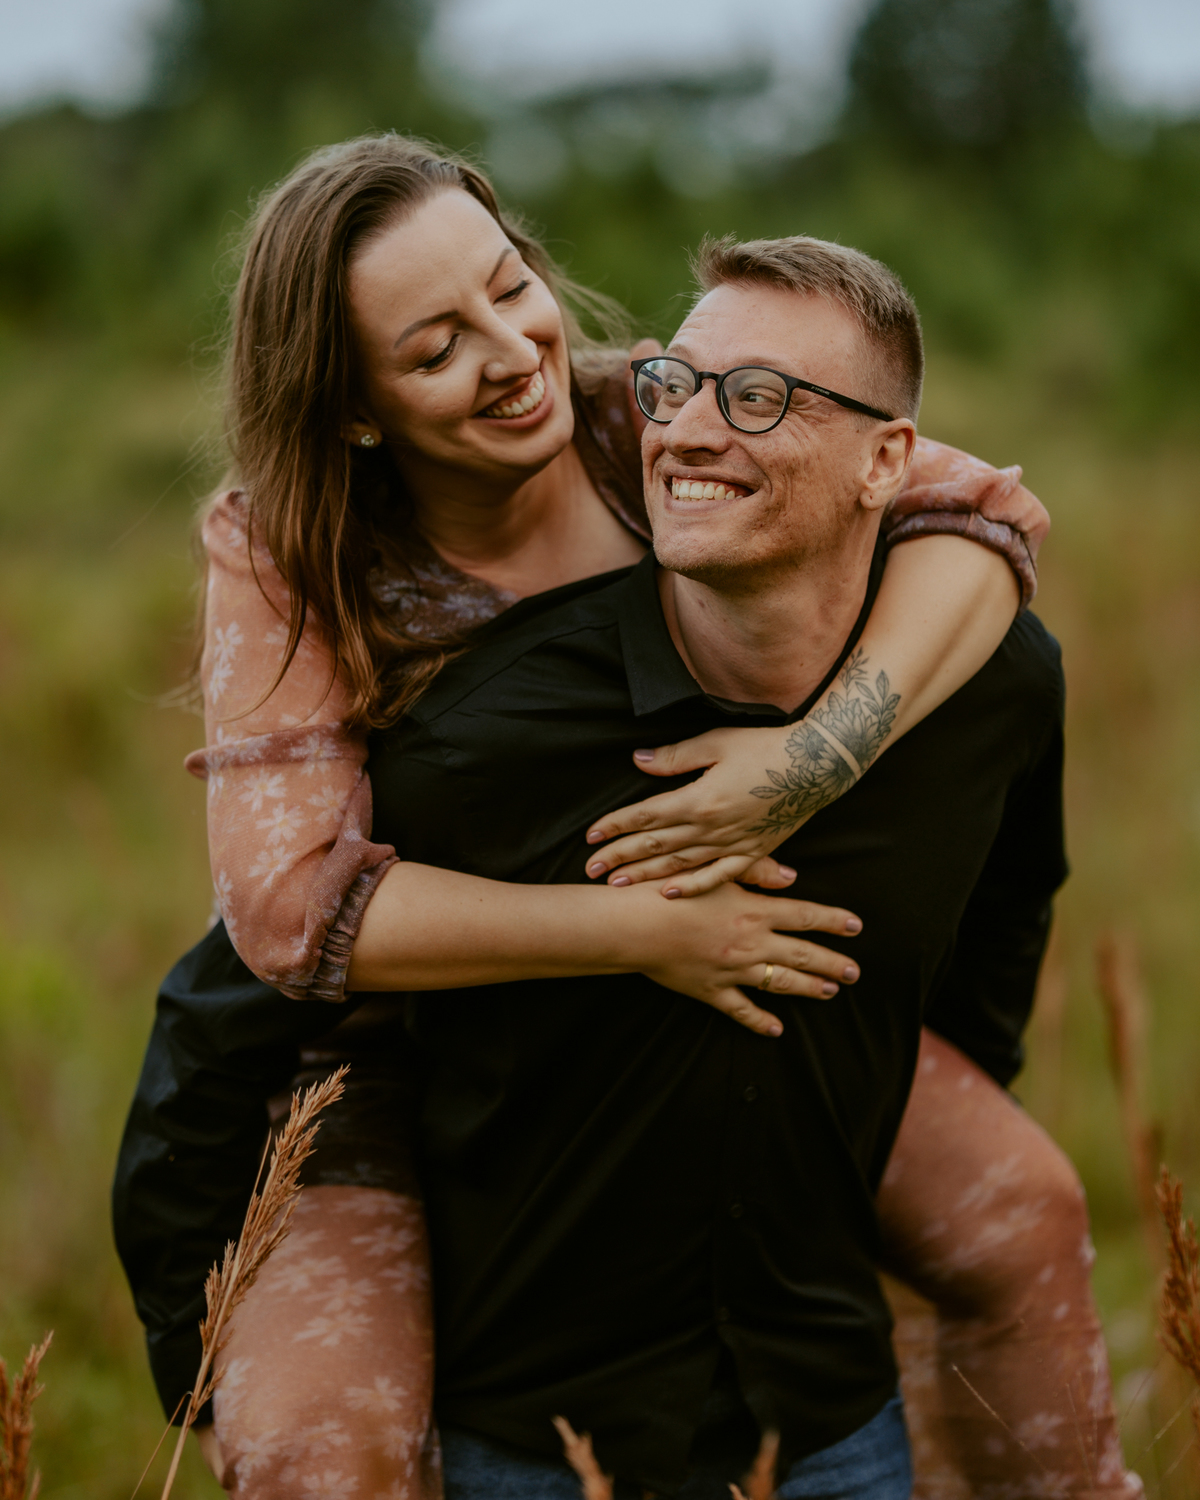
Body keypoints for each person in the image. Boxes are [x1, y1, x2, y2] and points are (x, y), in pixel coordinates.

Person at [109, 135, 1136, 1497]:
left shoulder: (647, 412)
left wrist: (813, 761)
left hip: (668, 1007)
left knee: (1023, 1216)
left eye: (510, 283)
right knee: (324, 1439)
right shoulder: (292, 545)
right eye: (432, 352)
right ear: (353, 409)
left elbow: (987, 517)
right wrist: (642, 927)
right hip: (391, 1045)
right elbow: (293, 911)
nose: (512, 351)